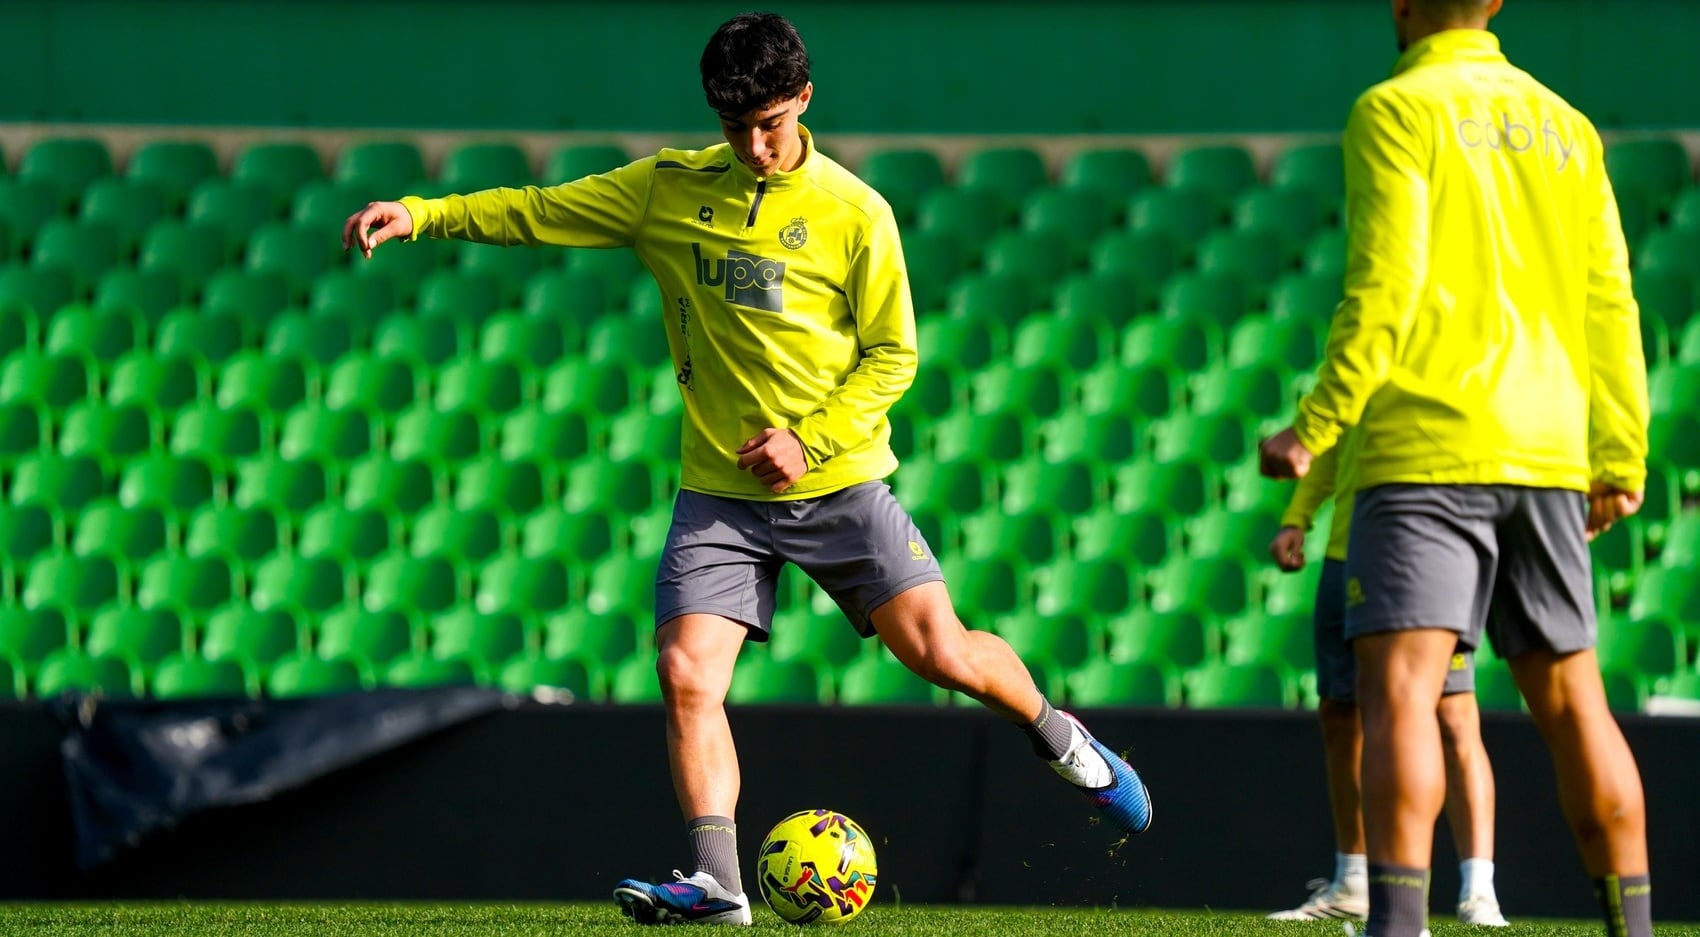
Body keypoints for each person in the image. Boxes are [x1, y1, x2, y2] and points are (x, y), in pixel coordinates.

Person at [343, 11, 1151, 928]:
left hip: (838, 482)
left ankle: (1063, 737)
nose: (755, 147)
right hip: (720, 496)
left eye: (769, 124)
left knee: (943, 653)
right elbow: (538, 210)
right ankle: (719, 883)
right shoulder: (667, 189)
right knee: (686, 671)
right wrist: (423, 214)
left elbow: (894, 355)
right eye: (735, 128)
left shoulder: (856, 212)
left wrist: (809, 438)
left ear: (803, 99)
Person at [1258, 0, 1652, 935]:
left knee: (1400, 699)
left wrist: (1313, 428)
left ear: (1402, 5)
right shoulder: (1568, 125)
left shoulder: (1396, 107)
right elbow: (1611, 298)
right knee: (1577, 704)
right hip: (1549, 450)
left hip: (1426, 449)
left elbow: (1385, 286)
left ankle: (1397, 923)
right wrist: (1621, 453)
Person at [1266, 431, 1507, 926]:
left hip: (1423, 547)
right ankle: (1353, 882)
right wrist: (1297, 517)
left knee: (1453, 713)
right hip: (1346, 552)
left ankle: (1479, 891)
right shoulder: (1345, 382)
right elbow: (1332, 446)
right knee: (1340, 712)